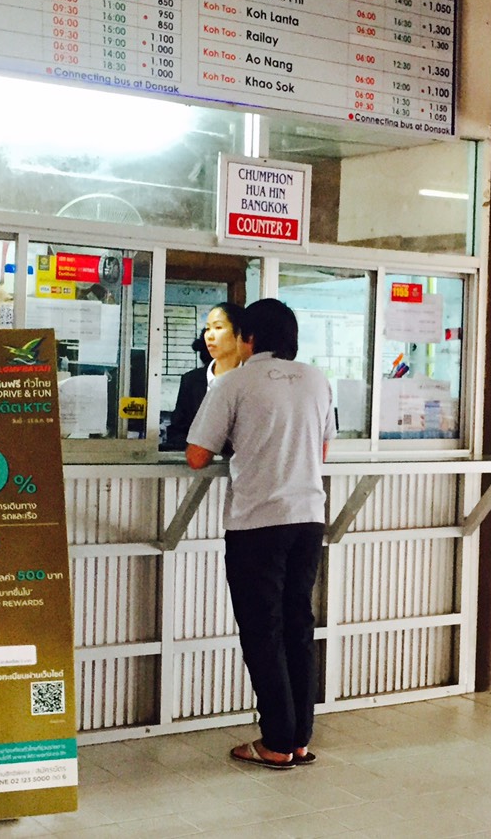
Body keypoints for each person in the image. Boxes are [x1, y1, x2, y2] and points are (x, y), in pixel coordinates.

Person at [185, 298, 334, 769]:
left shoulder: (235, 382)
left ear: (248, 338)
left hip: (257, 524)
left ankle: (275, 742)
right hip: (308, 517)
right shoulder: (316, 379)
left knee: (263, 631)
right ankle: (300, 739)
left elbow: (195, 455)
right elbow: (324, 448)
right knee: (297, 626)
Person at [161, 302, 245, 451]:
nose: (210, 336)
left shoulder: (253, 379)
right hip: (199, 467)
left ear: (239, 333)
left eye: (218, 327)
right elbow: (177, 432)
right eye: (207, 328)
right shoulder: (192, 380)